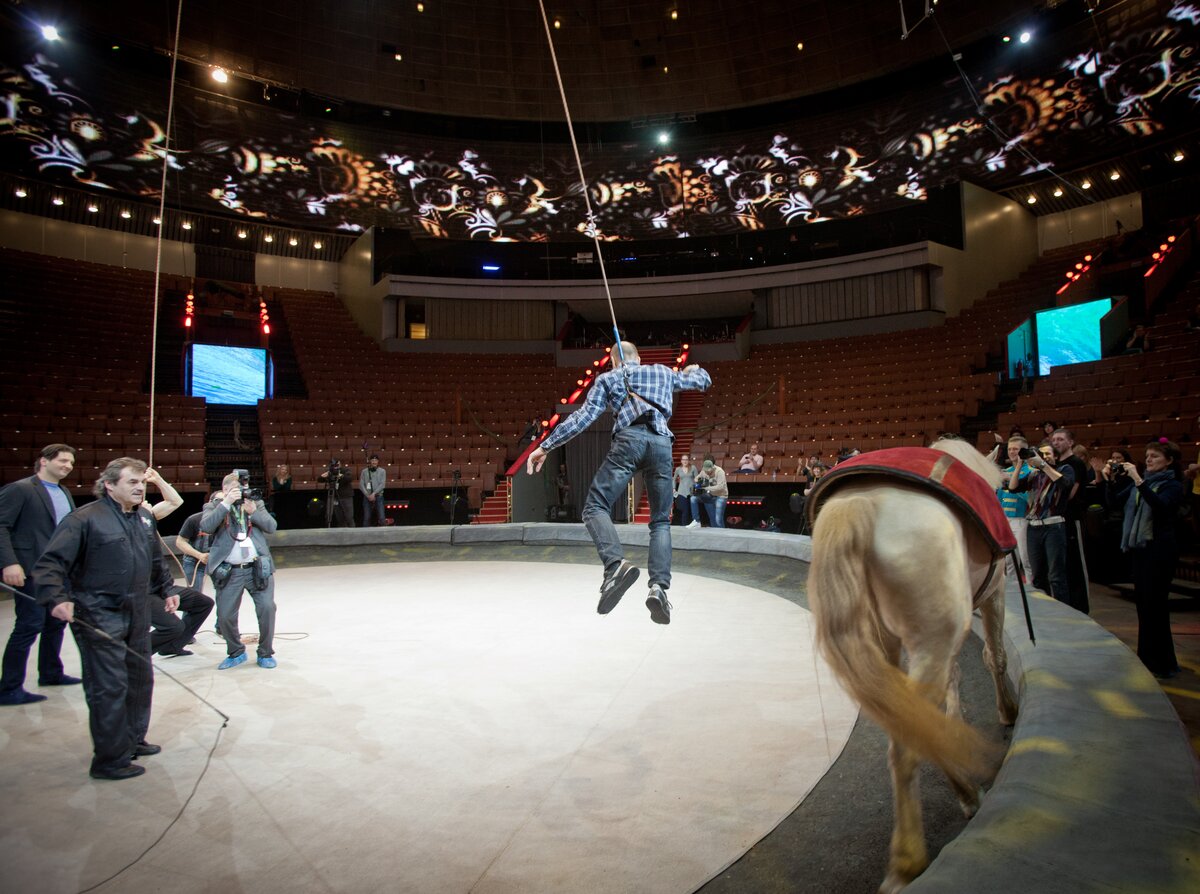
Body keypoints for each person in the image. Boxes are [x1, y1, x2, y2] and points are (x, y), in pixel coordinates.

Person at [525, 341, 711, 625]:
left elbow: (583, 418)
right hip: (662, 444)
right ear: (639, 358)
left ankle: (615, 566)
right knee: (660, 522)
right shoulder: (662, 372)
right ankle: (658, 588)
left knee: (595, 507)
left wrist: (545, 446)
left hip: (629, 440)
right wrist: (692, 369)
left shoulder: (609, 378)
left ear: (613, 361)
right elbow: (703, 380)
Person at [33, 458, 179, 780]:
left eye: (142, 482)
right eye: (132, 482)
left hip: (137, 609)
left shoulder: (144, 517)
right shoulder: (83, 519)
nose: (140, 488)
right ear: (110, 485)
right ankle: (110, 760)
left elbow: (155, 560)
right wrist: (57, 598)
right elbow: (50, 564)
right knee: (109, 687)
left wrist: (167, 588)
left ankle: (133, 739)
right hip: (98, 613)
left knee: (140, 679)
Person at [0, 444, 82, 706]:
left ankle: (51, 672)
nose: (68, 466)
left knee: (56, 622)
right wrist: (9, 563)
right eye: (63, 461)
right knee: (29, 625)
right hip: (32, 568)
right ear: (44, 461)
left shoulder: (64, 491)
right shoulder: (20, 489)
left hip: (60, 569)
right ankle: (9, 687)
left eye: (71, 462)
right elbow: (1, 526)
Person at [1103, 439, 1185, 678]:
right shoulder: (1144, 483)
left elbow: (1161, 506)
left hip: (1160, 550)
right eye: (1147, 456)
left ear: (1169, 461)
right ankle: (1147, 659)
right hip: (1141, 550)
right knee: (1144, 606)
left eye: (1155, 456)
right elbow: (1114, 502)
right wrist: (1109, 481)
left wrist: (1138, 480)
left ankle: (1163, 663)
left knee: (1156, 606)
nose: (1149, 460)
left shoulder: (1172, 485)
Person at [203, 470, 279, 669]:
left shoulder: (255, 504)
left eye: (242, 489)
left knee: (267, 608)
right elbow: (206, 526)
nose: (240, 493)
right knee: (225, 615)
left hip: (257, 568)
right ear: (224, 489)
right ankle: (236, 652)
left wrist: (254, 512)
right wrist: (226, 504)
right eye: (234, 490)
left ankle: (265, 653)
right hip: (230, 571)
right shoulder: (214, 505)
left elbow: (272, 527)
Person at [1017, 442, 1077, 608]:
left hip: (1053, 526)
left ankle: (1063, 611)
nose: (1044, 457)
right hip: (1033, 527)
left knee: (1056, 575)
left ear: (1056, 456)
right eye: (1041, 454)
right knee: (1037, 575)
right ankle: (1041, 609)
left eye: (1048, 454)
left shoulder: (1065, 469)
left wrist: (1043, 465)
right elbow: (1013, 487)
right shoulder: (1034, 475)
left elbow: (1065, 485)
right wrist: (1019, 465)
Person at [1052, 428, 1091, 613]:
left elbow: (1068, 494)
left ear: (1070, 442)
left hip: (1071, 518)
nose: (1056, 442)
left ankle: (1082, 608)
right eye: (1054, 439)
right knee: (1062, 565)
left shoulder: (1076, 463)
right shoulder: (1054, 464)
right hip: (1056, 520)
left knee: (1076, 564)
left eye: (1060, 439)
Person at [997, 436, 1034, 576]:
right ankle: (1013, 588)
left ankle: (1032, 587)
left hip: (1022, 520)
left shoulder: (1030, 471)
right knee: (1009, 561)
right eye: (1009, 449)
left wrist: (1012, 482)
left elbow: (1030, 499)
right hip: (1006, 520)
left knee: (1026, 559)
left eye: (1015, 449)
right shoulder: (1006, 471)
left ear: (1023, 451)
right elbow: (999, 498)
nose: (1012, 452)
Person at [688, 459, 729, 528]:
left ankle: (721, 533)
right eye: (706, 471)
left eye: (708, 471)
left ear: (713, 468)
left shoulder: (719, 471)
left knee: (718, 520)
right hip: (711, 495)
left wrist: (706, 488)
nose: (707, 472)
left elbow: (720, 487)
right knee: (693, 498)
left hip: (721, 496)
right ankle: (696, 521)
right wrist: (698, 481)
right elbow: (696, 478)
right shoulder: (704, 471)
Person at [318, 457, 354, 527]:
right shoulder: (330, 472)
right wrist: (325, 475)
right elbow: (319, 479)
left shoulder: (345, 470)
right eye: (334, 465)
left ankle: (352, 531)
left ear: (340, 464)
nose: (336, 466)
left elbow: (349, 478)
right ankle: (341, 531)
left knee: (349, 517)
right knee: (339, 518)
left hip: (346, 497)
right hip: (335, 497)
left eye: (337, 464)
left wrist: (340, 475)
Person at [360, 454, 387, 527]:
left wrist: (374, 494)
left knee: (382, 517)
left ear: (378, 461)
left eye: (376, 460)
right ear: (370, 461)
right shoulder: (364, 471)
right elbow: (361, 485)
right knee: (367, 518)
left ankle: (384, 532)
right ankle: (365, 533)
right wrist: (368, 495)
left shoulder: (382, 471)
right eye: (372, 460)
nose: (374, 462)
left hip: (379, 496)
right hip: (367, 497)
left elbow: (382, 485)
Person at [672, 454, 696, 525]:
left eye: (686, 459)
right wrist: (674, 488)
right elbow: (674, 479)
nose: (685, 461)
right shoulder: (678, 469)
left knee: (691, 510)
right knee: (685, 510)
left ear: (688, 460)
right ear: (681, 461)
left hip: (691, 492)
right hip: (681, 492)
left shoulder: (693, 468)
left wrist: (695, 487)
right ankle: (684, 526)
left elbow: (697, 478)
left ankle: (693, 524)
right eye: (683, 460)